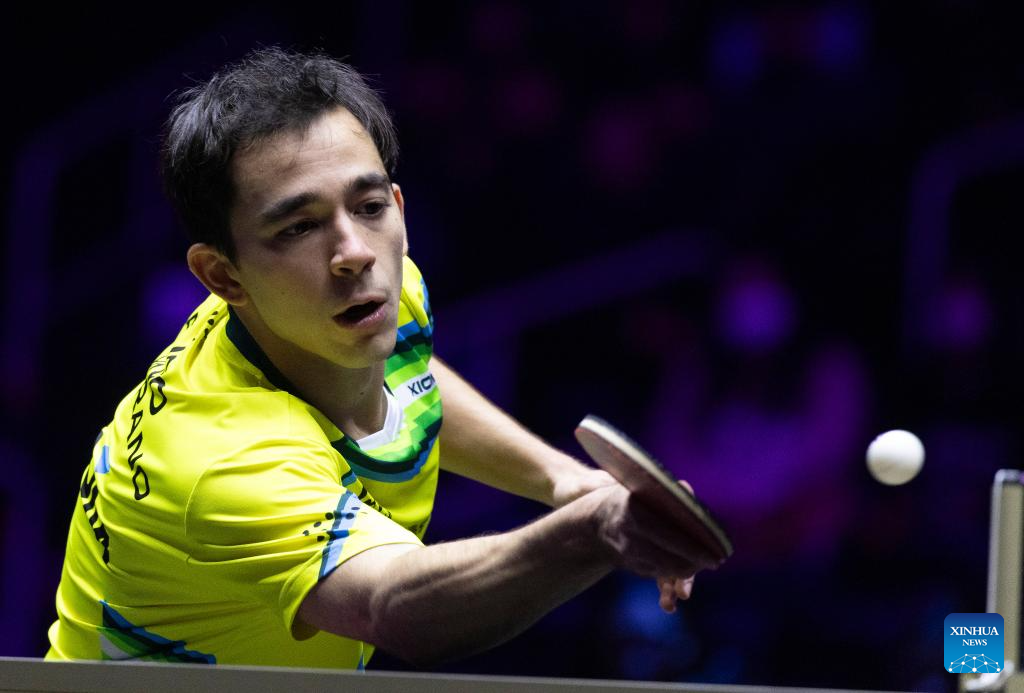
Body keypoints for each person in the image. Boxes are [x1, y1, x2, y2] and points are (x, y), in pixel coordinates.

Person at [45, 47, 720, 669]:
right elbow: (395, 607)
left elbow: (408, 379)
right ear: (223, 276)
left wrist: (566, 481)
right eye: (299, 226)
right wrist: (592, 531)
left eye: (368, 206)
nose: (354, 252)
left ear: (397, 205)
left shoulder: (366, 303)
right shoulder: (219, 457)